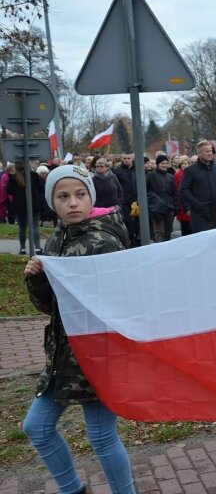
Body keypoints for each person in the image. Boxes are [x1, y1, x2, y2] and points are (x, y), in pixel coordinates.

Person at [22, 164, 135, 494]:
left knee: (101, 436)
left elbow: (120, 303)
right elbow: (49, 308)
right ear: (52, 203)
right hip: (63, 357)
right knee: (37, 427)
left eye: (80, 195)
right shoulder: (56, 239)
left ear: (91, 197)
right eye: (63, 196)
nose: (73, 202)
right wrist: (38, 278)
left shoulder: (104, 242)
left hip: (98, 357)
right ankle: (73, 489)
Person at [180, 140, 216, 233]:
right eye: (207, 151)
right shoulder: (190, 170)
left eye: (211, 151)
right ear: (199, 153)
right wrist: (196, 204)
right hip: (200, 215)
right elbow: (184, 190)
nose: (210, 153)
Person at [6, 161, 44, 254]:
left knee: (22, 227)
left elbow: (9, 191)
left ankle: (22, 248)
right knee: (35, 226)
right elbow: (41, 188)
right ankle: (37, 248)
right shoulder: (34, 175)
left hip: (20, 205)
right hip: (34, 203)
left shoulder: (13, 177)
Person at [146, 155, 176, 242]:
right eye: (162, 163)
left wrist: (175, 207)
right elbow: (146, 191)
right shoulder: (150, 176)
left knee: (168, 232)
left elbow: (174, 193)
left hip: (169, 208)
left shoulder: (170, 177)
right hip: (156, 209)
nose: (164, 165)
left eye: (166, 163)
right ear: (158, 164)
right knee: (158, 232)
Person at [114, 153, 138, 244]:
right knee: (127, 223)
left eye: (128, 158)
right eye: (125, 158)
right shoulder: (118, 171)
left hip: (136, 201)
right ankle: (130, 242)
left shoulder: (137, 169)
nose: (127, 160)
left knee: (137, 224)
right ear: (122, 159)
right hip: (124, 202)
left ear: (132, 159)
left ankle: (137, 241)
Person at [174, 156, 192, 236]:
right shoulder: (178, 175)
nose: (185, 165)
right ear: (180, 165)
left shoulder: (191, 174)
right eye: (183, 163)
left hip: (190, 201)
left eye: (187, 163)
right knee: (185, 227)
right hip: (181, 203)